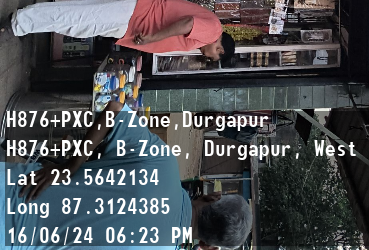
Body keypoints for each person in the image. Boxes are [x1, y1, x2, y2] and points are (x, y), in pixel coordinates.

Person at [1, 99, 252, 249]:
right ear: (207, 244)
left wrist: (70, 167)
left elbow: (114, 111)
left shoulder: (162, 163)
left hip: (10, 187)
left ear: (212, 197)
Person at [0, 0, 235, 62]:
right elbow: (187, 23)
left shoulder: (209, 32)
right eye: (214, 57)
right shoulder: (213, 31)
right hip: (138, 16)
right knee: (77, 18)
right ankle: (18, 23)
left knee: (79, 24)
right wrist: (153, 37)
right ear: (220, 49)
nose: (208, 57)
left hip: (133, 24)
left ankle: (24, 22)